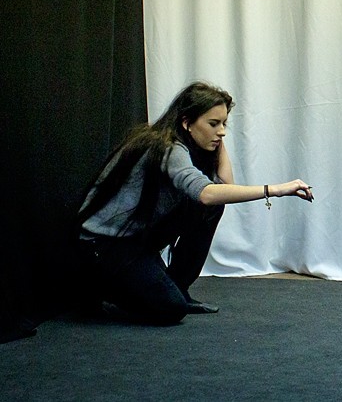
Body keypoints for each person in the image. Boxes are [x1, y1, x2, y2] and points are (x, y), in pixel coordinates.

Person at [76, 81, 313, 325]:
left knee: (210, 208)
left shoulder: (185, 144)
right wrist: (274, 190)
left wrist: (216, 137)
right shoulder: (167, 148)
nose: (222, 131)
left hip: (134, 240)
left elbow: (224, 185)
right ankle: (100, 289)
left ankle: (178, 287)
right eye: (213, 123)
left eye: (224, 124)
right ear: (186, 122)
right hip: (103, 246)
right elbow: (206, 193)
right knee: (171, 309)